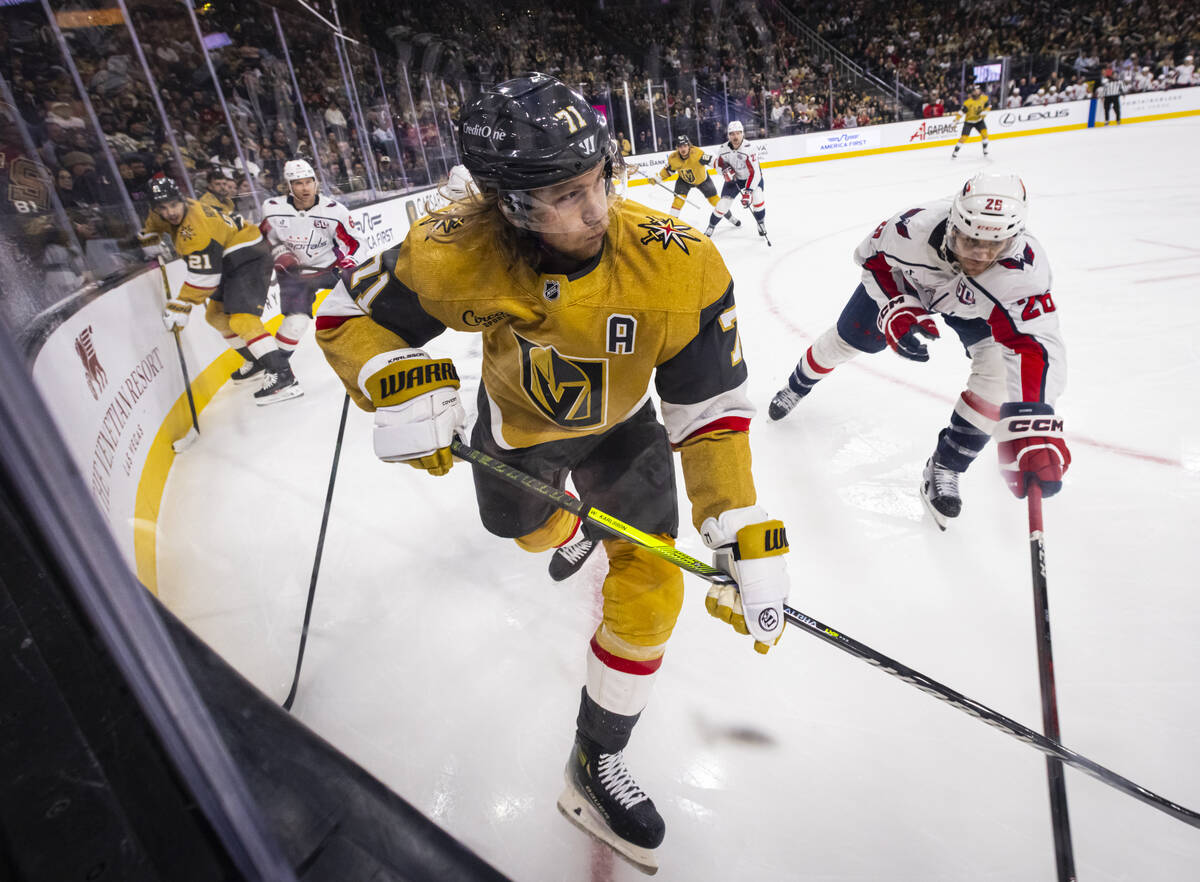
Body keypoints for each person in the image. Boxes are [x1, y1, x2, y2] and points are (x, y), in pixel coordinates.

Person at [314, 73, 790, 874]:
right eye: (566, 195)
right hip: (517, 436)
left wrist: (736, 521)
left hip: (624, 430)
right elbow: (344, 316)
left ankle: (594, 759)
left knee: (653, 585)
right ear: (507, 203)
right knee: (531, 532)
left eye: (600, 177)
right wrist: (388, 377)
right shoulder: (453, 245)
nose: (597, 208)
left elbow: (711, 409)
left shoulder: (682, 264)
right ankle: (571, 526)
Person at [767, 171, 1069, 529]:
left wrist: (1032, 425)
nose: (981, 255)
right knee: (847, 340)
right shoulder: (910, 229)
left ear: (1014, 239)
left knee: (999, 377)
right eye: (970, 240)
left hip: (979, 308)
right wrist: (895, 305)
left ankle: (945, 465)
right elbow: (872, 261)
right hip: (908, 285)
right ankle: (797, 384)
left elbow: (1034, 345)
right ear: (954, 223)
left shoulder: (1024, 267)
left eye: (995, 246)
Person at [142, 176, 300, 404]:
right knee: (215, 315)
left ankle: (283, 375)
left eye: (174, 205)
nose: (170, 213)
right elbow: (155, 222)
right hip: (229, 257)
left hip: (248, 254)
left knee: (242, 320)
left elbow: (205, 277)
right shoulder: (165, 211)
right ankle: (257, 362)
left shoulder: (197, 227)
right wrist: (150, 236)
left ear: (181, 200)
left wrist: (183, 304)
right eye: (163, 208)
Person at [256, 158, 362, 389]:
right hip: (296, 275)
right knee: (295, 323)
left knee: (363, 304)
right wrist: (280, 254)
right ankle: (279, 371)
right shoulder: (272, 209)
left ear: (316, 182)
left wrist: (347, 262)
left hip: (329, 268)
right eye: (298, 183)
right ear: (289, 186)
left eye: (309, 182)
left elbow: (354, 243)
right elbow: (267, 239)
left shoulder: (334, 211)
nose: (305, 188)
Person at [650, 134, 738, 231]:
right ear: (677, 148)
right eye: (680, 146)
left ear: (689, 145)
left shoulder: (697, 154)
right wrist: (658, 178)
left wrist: (724, 168)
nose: (683, 149)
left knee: (715, 201)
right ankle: (671, 225)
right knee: (678, 200)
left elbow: (712, 161)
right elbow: (668, 171)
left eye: (685, 146)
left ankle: (731, 218)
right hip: (684, 180)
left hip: (702, 180)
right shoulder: (673, 158)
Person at [710, 120, 769, 242]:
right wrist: (724, 172)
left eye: (738, 133)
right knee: (723, 204)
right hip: (735, 179)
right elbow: (719, 167)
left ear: (743, 134)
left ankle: (760, 222)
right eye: (732, 134)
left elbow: (755, 172)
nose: (735, 136)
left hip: (751, 178)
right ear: (728, 135)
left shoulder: (750, 148)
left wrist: (748, 192)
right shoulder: (723, 149)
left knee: (758, 199)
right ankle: (711, 226)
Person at [952, 84, 990, 159]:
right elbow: (961, 112)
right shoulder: (968, 103)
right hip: (969, 122)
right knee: (963, 138)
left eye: (978, 90)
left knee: (985, 135)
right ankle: (955, 152)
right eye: (975, 91)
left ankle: (985, 149)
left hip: (979, 121)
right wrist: (956, 120)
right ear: (972, 92)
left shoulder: (984, 98)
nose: (977, 92)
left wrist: (985, 112)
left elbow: (988, 107)